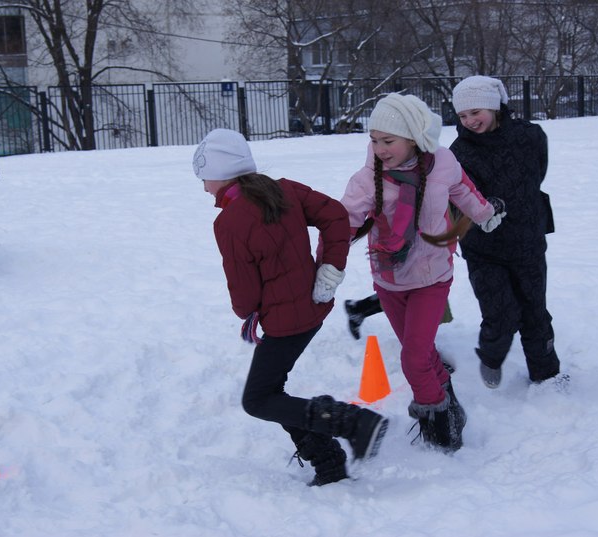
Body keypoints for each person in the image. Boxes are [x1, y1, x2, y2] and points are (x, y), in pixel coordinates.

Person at [193, 128, 389, 486]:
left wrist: (246, 313)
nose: (204, 187)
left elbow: (244, 294)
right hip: (313, 307)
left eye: (204, 177)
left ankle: (354, 423)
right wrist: (330, 268)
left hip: (285, 322)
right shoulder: (283, 189)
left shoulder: (230, 222)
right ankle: (329, 463)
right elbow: (335, 215)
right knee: (272, 392)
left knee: (258, 399)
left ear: (221, 173)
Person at [340, 93, 505, 452]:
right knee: (422, 352)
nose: (380, 149)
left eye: (388, 141)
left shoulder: (443, 163)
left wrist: (484, 215)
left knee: (414, 358)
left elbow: (463, 189)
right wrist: (326, 261)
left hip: (432, 278)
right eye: (374, 140)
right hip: (389, 280)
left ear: (414, 138)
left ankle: (441, 424)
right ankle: (449, 401)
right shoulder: (368, 179)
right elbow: (343, 223)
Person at [449, 76, 561, 389]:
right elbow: (459, 198)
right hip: (484, 247)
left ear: (495, 106)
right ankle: (492, 354)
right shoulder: (458, 153)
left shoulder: (531, 136)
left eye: (476, 112)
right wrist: (485, 208)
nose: (469, 121)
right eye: (462, 115)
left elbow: (537, 174)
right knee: (499, 312)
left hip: (528, 239)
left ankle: (546, 374)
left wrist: (521, 204)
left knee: (535, 311)